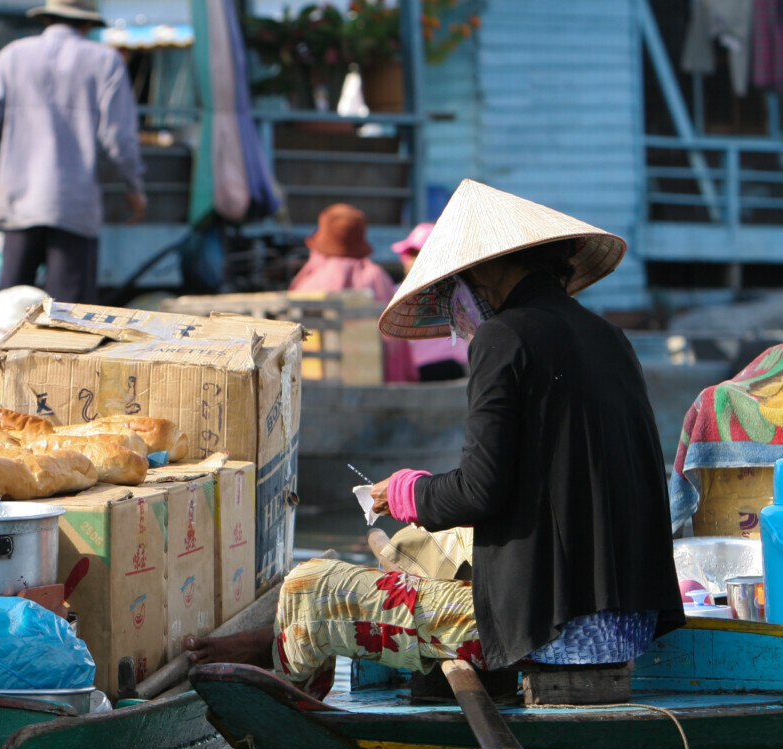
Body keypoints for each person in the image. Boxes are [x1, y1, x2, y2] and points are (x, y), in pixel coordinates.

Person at [188, 180, 684, 696]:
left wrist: (404, 492)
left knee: (308, 585)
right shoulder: (611, 338)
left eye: (461, 281)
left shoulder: (503, 337)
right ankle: (288, 645)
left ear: (489, 268)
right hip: (629, 625)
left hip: (555, 630)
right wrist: (422, 493)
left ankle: (282, 688)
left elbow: (480, 491)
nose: (461, 296)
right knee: (425, 545)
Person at [0, 0, 146, 304]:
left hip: (20, 202)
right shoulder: (105, 61)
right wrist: (134, 186)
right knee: (68, 322)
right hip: (73, 206)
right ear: (88, 24)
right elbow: (118, 137)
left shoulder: (13, 55)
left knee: (8, 316)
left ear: (47, 18)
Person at [289, 203, 417, 383]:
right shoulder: (376, 277)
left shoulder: (308, 281)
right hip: (373, 382)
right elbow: (394, 344)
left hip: (314, 382)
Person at [394, 222, 469, 381]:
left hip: (449, 368)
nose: (411, 260)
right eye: (410, 253)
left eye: (418, 254)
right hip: (416, 371)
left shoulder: (458, 291)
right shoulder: (396, 294)